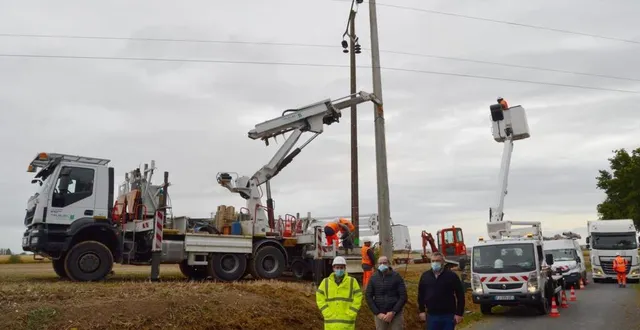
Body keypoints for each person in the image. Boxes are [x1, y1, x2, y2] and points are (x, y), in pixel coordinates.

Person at [417, 252, 465, 330]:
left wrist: (459, 313)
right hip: (432, 315)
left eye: (438, 261)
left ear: (443, 262)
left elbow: (460, 295)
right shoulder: (425, 276)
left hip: (448, 315)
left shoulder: (452, 276)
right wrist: (421, 311)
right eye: (433, 261)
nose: (435, 263)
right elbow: (421, 295)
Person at [316, 256, 363, 330]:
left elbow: (358, 297)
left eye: (341, 268)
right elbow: (319, 298)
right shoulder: (325, 282)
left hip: (347, 323)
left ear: (345, 268)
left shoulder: (352, 281)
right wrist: (326, 312)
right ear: (333, 268)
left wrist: (351, 312)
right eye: (337, 267)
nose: (339, 270)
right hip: (331, 324)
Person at [365, 256, 407, 330]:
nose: (382, 265)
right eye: (380, 263)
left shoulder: (396, 277)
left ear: (389, 264)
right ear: (377, 265)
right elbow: (368, 296)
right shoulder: (373, 278)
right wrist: (377, 313)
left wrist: (393, 312)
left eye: (384, 263)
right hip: (380, 314)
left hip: (395, 314)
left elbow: (403, 296)